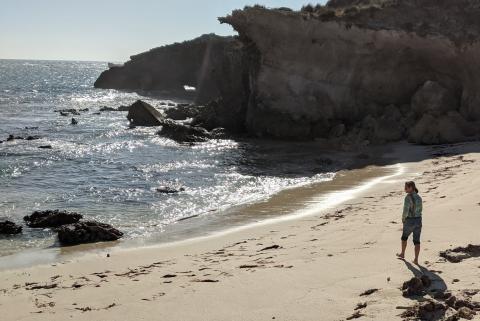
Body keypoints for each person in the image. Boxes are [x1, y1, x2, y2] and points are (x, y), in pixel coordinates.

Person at [397, 181, 423, 265]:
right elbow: (420, 210)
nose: (404, 189)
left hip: (410, 220)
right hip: (418, 220)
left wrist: (403, 219)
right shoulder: (419, 197)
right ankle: (416, 259)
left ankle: (402, 253)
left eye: (406, 187)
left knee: (404, 237)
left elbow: (405, 210)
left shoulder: (408, 197)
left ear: (411, 188)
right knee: (417, 241)